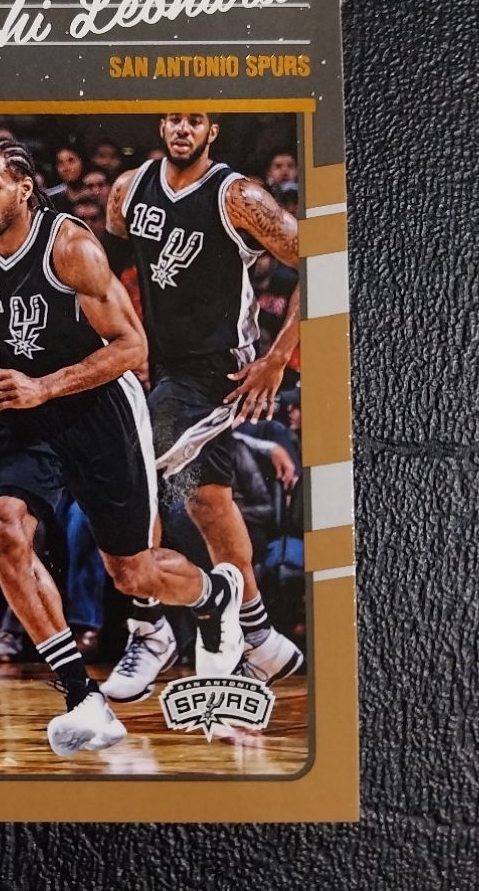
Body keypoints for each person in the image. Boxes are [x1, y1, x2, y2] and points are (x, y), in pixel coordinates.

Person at [0, 134, 245, 757]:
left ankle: (214, 596)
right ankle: (82, 697)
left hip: (99, 407)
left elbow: (132, 347)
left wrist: (45, 385)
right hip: (23, 407)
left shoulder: (71, 247)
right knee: (0, 524)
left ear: (25, 189)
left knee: (132, 572)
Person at [102, 110, 304, 701]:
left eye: (195, 121)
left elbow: (323, 258)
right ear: (161, 126)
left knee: (132, 467)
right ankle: (262, 640)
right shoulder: (127, 191)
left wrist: (277, 358)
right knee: (209, 503)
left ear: (212, 131)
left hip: (219, 370)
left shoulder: (239, 197)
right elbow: (106, 277)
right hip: (164, 366)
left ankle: (150, 626)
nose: (182, 130)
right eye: (174, 119)